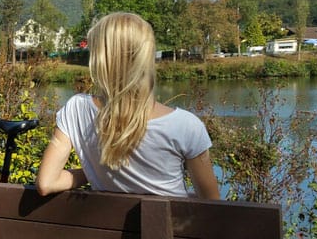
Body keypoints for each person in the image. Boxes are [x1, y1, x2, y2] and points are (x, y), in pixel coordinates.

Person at [36, 12, 219, 200]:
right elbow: (212, 206)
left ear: (101, 60)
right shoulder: (185, 126)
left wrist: (94, 171)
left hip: (105, 227)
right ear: (146, 58)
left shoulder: (76, 109)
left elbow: (47, 183)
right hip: (170, 228)